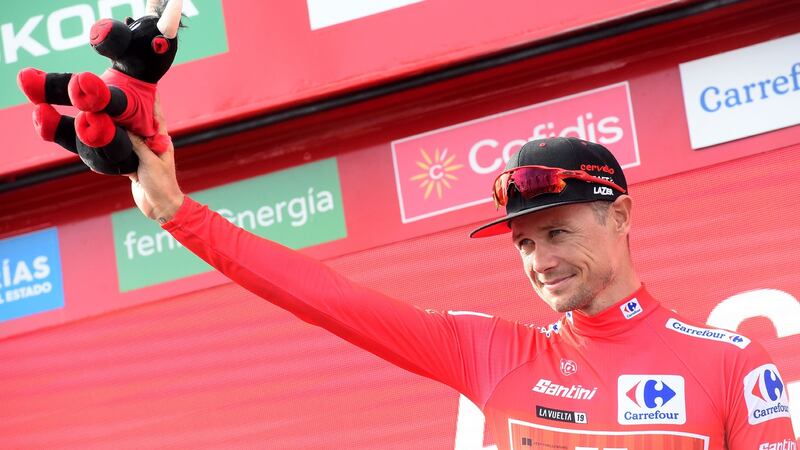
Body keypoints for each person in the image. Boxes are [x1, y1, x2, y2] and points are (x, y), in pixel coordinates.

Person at [127, 104, 795, 450]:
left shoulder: (732, 365)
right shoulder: (494, 354)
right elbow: (325, 297)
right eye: (525, 243)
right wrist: (177, 214)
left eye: (558, 232)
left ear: (620, 216)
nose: (541, 261)